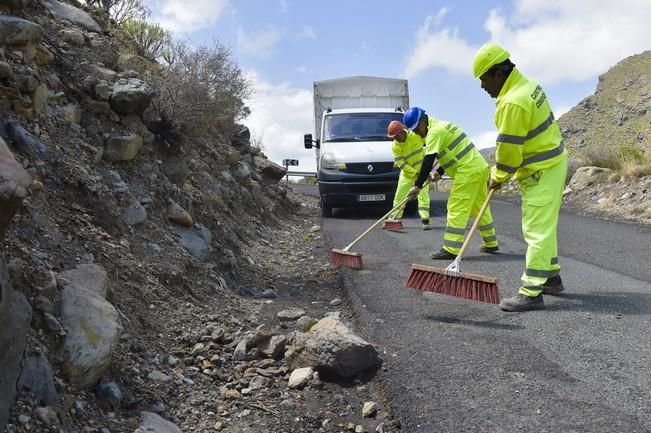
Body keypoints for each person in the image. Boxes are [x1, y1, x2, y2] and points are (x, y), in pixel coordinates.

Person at [472, 42, 568, 312]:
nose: (482, 87)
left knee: (536, 231)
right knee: (543, 226)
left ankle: (531, 291)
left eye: (483, 80)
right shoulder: (528, 85)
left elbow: (509, 150)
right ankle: (551, 278)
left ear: (498, 74)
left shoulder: (513, 102)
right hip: (552, 162)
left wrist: (498, 176)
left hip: (542, 169)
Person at [404, 107, 499, 260]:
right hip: (479, 168)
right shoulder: (443, 125)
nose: (415, 133)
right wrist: (439, 173)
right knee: (479, 207)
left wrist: (417, 185)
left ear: (423, 122)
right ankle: (491, 243)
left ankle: (451, 249)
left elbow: (429, 159)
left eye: (416, 129)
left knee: (456, 207)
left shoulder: (434, 132)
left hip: (468, 171)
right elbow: (452, 154)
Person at [386, 120, 432, 229]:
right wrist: (415, 172)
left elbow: (430, 144)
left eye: (396, 136)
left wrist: (427, 167)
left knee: (423, 196)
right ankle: (394, 219)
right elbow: (401, 164)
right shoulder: (395, 146)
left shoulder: (416, 136)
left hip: (422, 173)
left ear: (402, 132)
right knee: (399, 196)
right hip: (407, 174)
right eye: (393, 137)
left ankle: (425, 220)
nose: (395, 139)